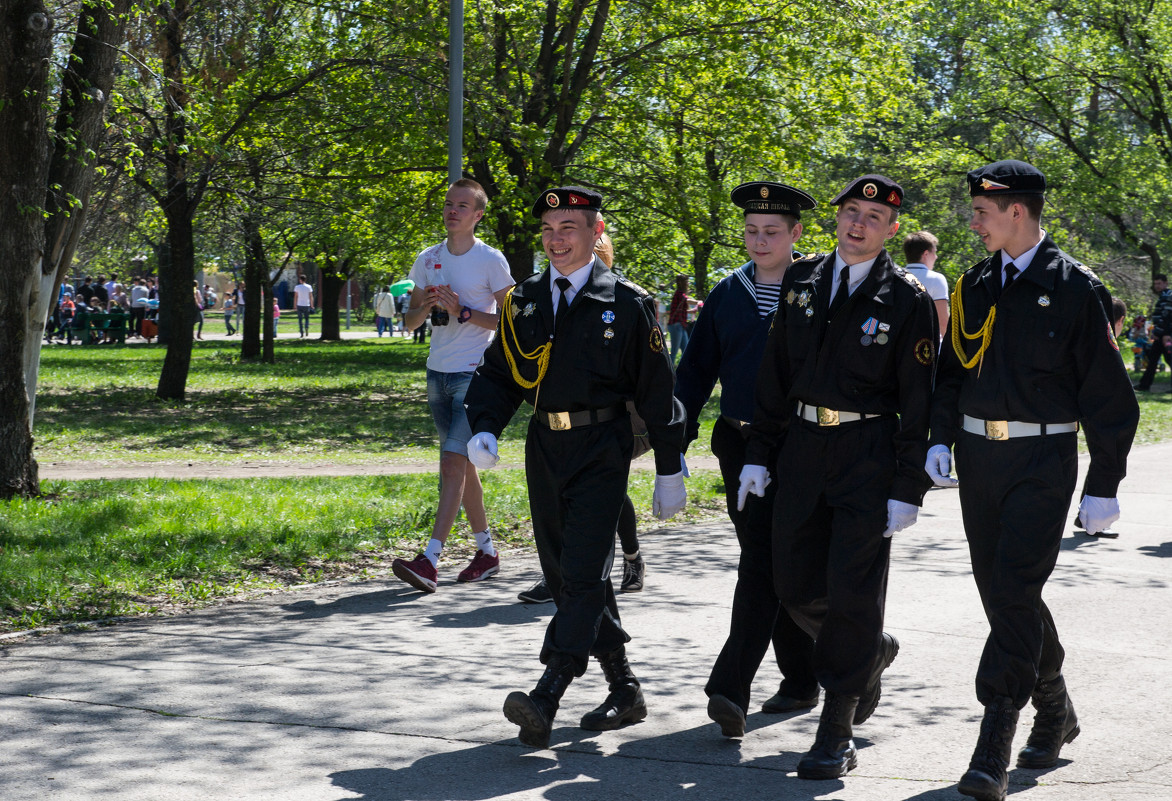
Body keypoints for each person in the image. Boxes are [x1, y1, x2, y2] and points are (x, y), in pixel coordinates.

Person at [925, 160, 1140, 801]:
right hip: (979, 461)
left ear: (1017, 211)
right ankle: (1057, 709)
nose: (974, 221)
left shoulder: (1076, 288)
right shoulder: (972, 284)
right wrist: (939, 437)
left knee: (1015, 588)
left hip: (1043, 462)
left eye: (982, 212)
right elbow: (952, 373)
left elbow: (1110, 398)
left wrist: (1104, 483)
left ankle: (995, 740)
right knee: (1003, 597)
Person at [464, 185, 686, 749]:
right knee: (565, 574)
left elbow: (657, 389)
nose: (557, 239)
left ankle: (548, 692)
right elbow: (499, 372)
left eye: (569, 228)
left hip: (603, 445)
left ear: (596, 232)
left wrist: (668, 465)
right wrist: (486, 423)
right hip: (545, 445)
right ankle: (626, 688)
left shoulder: (629, 302)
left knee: (585, 570)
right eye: (549, 229)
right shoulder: (526, 299)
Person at [738, 174, 937, 780]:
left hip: (866, 452)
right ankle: (867, 650)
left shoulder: (906, 300)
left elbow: (920, 398)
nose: (858, 224)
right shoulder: (800, 281)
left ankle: (836, 728)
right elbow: (773, 373)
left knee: (853, 589)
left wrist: (909, 485)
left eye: (873, 217)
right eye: (851, 211)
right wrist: (757, 451)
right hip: (800, 446)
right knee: (793, 583)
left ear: (892, 230)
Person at [674, 181, 821, 739]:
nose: (760, 241)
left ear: (796, 234)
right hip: (738, 445)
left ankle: (733, 685)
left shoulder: (817, 289)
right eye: (752, 231)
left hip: (798, 448)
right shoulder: (728, 293)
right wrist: (675, 443)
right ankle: (800, 677)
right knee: (765, 560)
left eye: (773, 232)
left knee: (774, 563)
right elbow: (694, 374)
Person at [391, 178, 515, 593]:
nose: (452, 211)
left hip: (474, 373)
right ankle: (487, 552)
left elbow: (513, 323)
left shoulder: (490, 260)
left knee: (450, 464)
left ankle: (429, 560)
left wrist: (463, 311)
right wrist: (423, 307)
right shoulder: (427, 259)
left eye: (462, 205)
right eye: (448, 204)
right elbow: (409, 322)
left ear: (477, 215)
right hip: (437, 372)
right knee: (460, 467)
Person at [514, 232, 646, 606]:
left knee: (609, 498)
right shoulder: (544, 297)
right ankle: (557, 576)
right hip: (556, 432)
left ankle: (631, 557)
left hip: (609, 427)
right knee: (563, 508)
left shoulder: (621, 302)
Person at [902, 230, 950, 341]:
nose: (936, 257)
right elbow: (943, 323)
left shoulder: (894, 277)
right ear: (926, 254)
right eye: (935, 252)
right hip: (927, 347)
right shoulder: (937, 279)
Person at [1132, 273, 1172, 391]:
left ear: (1166, 283)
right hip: (1161, 334)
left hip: (1165, 335)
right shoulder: (1162, 296)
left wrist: (1165, 334)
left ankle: (1144, 385)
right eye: (1155, 284)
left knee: (1163, 359)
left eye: (1159, 283)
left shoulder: (1168, 296)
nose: (1157, 286)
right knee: (1153, 360)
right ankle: (1144, 385)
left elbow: (1168, 317)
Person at [667, 275, 692, 363]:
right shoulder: (679, 294)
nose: (688, 283)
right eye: (687, 281)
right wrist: (699, 302)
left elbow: (683, 309)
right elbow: (687, 300)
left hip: (681, 325)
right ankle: (668, 373)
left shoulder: (681, 295)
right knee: (674, 351)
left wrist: (693, 310)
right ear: (682, 283)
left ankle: (682, 372)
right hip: (676, 325)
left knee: (685, 351)